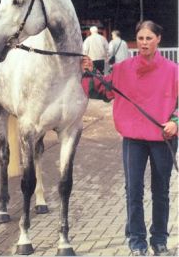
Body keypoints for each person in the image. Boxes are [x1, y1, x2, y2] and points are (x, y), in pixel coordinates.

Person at [81, 20, 178, 256]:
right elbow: (101, 90)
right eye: (141, 38)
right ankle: (137, 242)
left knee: (161, 191)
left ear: (158, 40)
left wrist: (175, 122)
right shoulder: (123, 69)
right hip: (133, 138)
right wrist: (89, 70)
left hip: (163, 138)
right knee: (133, 190)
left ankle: (159, 240)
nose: (144, 43)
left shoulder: (173, 70)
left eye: (148, 38)